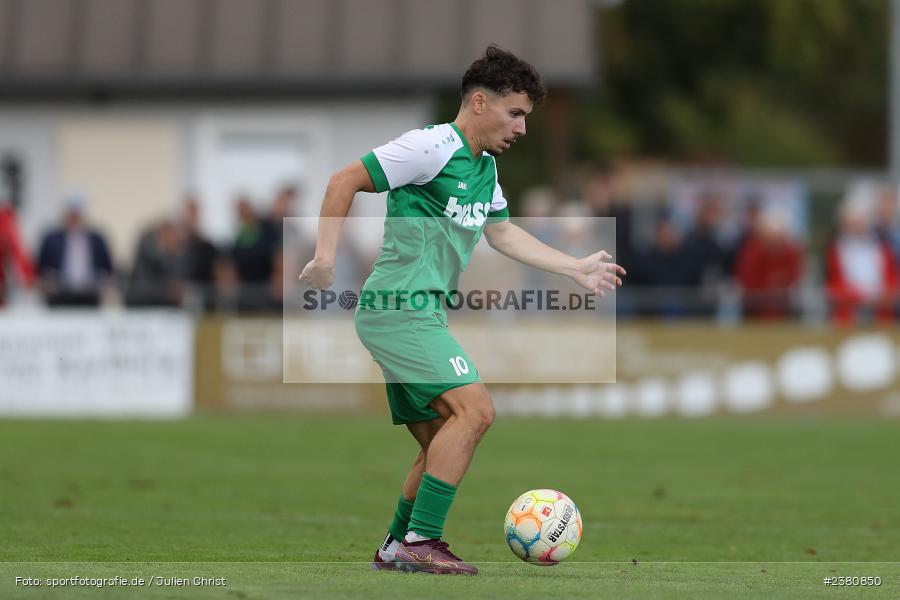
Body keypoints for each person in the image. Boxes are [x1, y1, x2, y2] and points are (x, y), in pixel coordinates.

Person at [299, 45, 625, 575]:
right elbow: (344, 180)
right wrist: (325, 259)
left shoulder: (486, 169)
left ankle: (396, 545)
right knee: (476, 411)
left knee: (440, 442)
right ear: (479, 103)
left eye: (525, 117)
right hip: (397, 308)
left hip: (420, 313)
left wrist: (573, 268)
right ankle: (422, 541)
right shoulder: (430, 147)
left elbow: (503, 234)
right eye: (514, 113)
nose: (521, 128)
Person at [36, 195, 113, 307]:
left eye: (77, 214)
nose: (74, 219)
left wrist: (102, 280)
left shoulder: (97, 239)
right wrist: (49, 278)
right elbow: (41, 267)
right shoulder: (52, 239)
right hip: (59, 296)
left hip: (90, 296)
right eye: (72, 214)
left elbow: (107, 268)